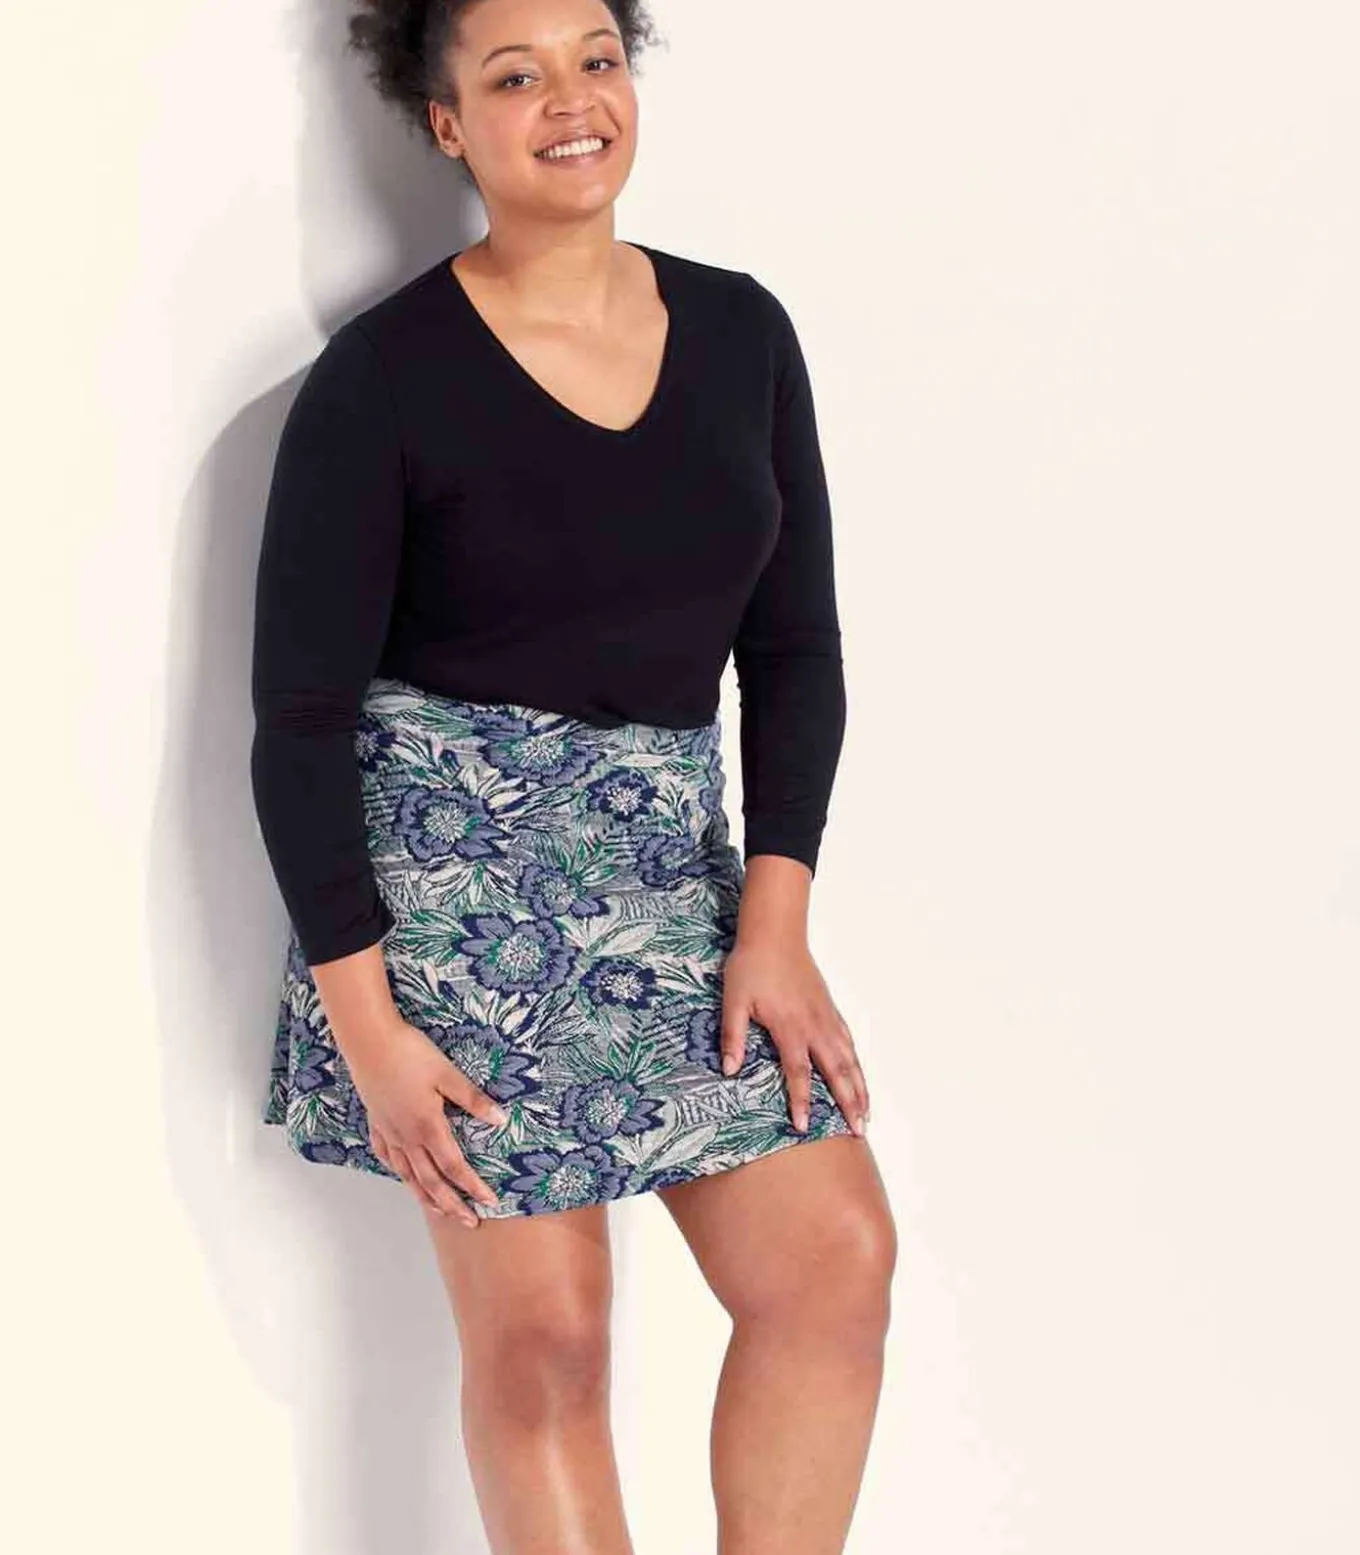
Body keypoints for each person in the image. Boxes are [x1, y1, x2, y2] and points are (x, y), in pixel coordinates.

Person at [249, 0, 897, 1549]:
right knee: (549, 1338)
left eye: (596, 60)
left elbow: (794, 649)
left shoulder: (742, 335)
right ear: (447, 124)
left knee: (832, 1259)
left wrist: (775, 920)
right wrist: (370, 1033)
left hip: (672, 870)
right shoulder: (380, 377)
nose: (571, 100)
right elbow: (299, 719)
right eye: (514, 75)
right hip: (452, 890)